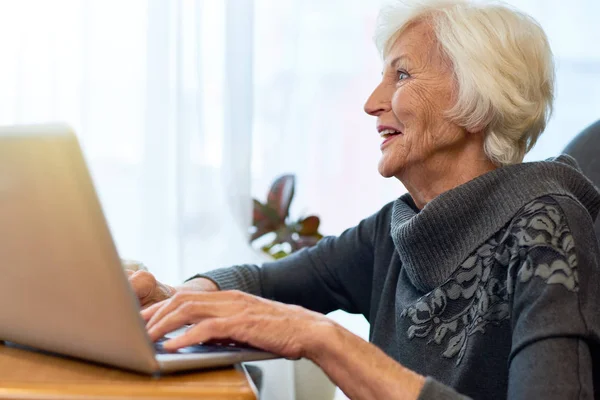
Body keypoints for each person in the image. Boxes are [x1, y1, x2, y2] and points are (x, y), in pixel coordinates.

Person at [128, 0, 600, 398]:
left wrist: (322, 338)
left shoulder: (550, 228)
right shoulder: (400, 229)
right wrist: (172, 299)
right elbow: (266, 285)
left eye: (401, 74)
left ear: (476, 97)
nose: (372, 102)